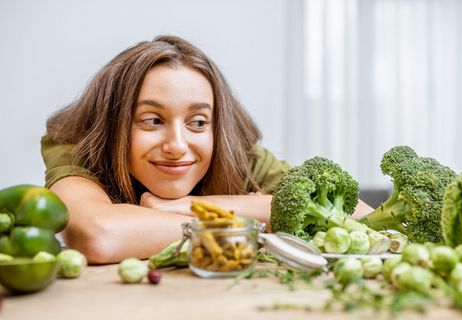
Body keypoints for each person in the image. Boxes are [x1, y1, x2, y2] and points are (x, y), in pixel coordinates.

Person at [42, 35, 372, 264]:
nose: (176, 146)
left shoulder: (237, 154)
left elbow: (362, 219)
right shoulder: (76, 144)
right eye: (153, 120)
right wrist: (253, 218)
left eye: (198, 122)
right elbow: (99, 235)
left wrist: (190, 206)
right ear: (114, 123)